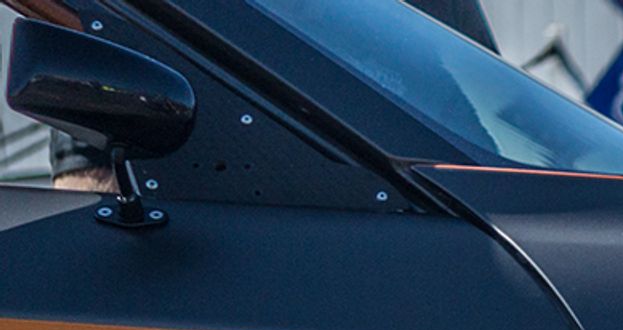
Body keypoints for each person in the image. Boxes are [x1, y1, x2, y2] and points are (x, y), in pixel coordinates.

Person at [50, 0, 498, 188]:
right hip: (215, 255)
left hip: (416, 249)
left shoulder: (429, 11)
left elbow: (491, 147)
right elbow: (89, 180)